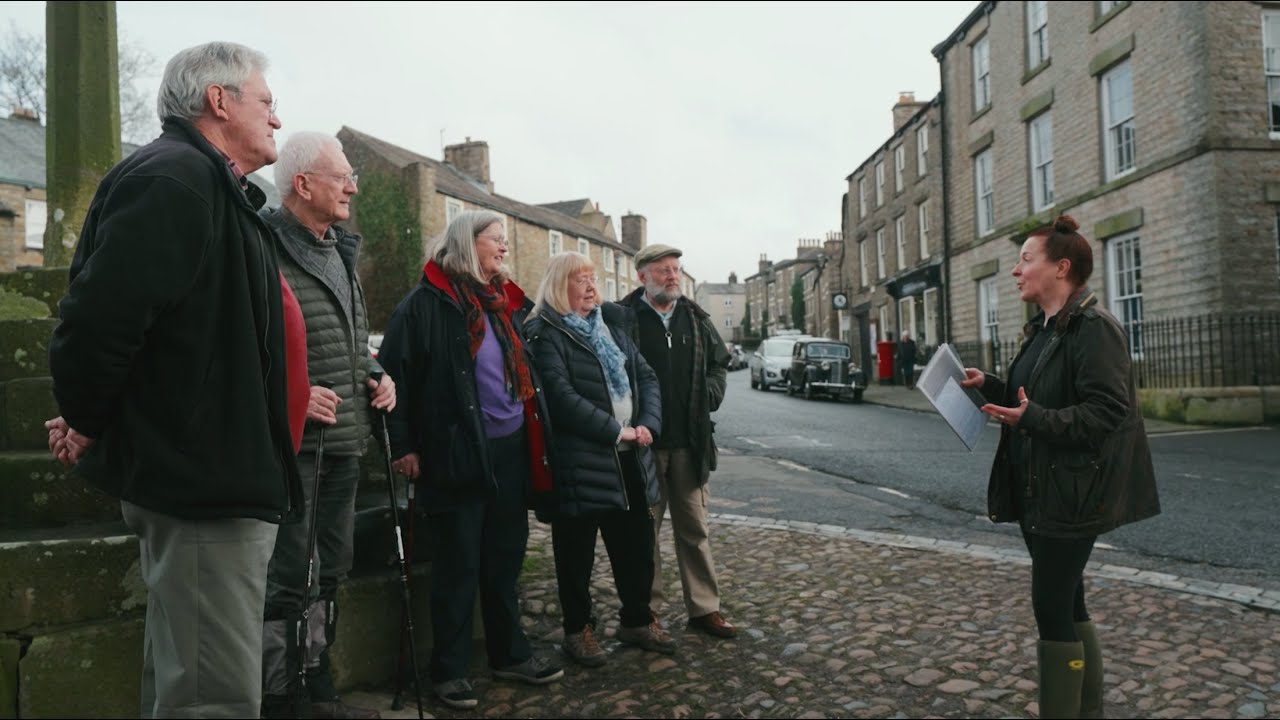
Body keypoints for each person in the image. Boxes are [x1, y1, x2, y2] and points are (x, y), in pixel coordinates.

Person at [45, 42, 302, 718]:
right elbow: (97, 325)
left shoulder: (210, 187)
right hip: (201, 492)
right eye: (266, 103)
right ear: (220, 101)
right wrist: (89, 419)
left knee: (187, 685)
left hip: (213, 485)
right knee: (210, 699)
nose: (277, 120)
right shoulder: (176, 181)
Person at [959, 215, 1160, 719]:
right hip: (1041, 491)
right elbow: (1033, 400)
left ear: (1061, 268)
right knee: (1068, 602)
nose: (1015, 271)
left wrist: (1034, 417)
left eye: (1027, 260)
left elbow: (1109, 412)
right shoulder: (1044, 330)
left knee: (1051, 607)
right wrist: (989, 384)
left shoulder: (1093, 329)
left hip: (1074, 495)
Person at [377, 210, 563, 710]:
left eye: (505, 240)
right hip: (453, 452)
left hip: (510, 451)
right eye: (495, 240)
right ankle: (449, 671)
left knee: (504, 561)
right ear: (467, 244)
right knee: (457, 566)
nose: (504, 248)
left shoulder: (505, 305)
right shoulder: (423, 306)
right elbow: (393, 377)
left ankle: (509, 654)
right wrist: (403, 447)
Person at [258, 132, 396, 719]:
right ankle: (278, 692)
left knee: (332, 568)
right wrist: (288, 393)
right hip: (294, 445)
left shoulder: (339, 249)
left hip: (345, 441)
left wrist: (378, 373)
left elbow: (353, 340)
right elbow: (243, 342)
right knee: (289, 572)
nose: (353, 186)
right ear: (303, 183)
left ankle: (316, 676)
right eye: (341, 176)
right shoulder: (261, 244)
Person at [524, 252, 675, 668]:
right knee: (576, 553)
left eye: (593, 279)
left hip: (631, 456)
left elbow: (645, 376)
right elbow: (560, 396)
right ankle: (578, 631)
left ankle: (637, 620)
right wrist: (615, 430)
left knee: (636, 547)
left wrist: (647, 424)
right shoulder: (544, 332)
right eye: (581, 280)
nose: (592, 287)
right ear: (559, 286)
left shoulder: (610, 326)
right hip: (580, 462)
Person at [617, 244, 737, 639]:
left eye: (676, 269)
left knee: (694, 529)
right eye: (663, 270)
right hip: (642, 446)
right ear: (642, 277)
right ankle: (646, 611)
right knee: (643, 534)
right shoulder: (622, 319)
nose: (673, 276)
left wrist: (711, 395)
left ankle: (704, 609)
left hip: (689, 443)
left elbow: (720, 364)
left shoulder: (695, 318)